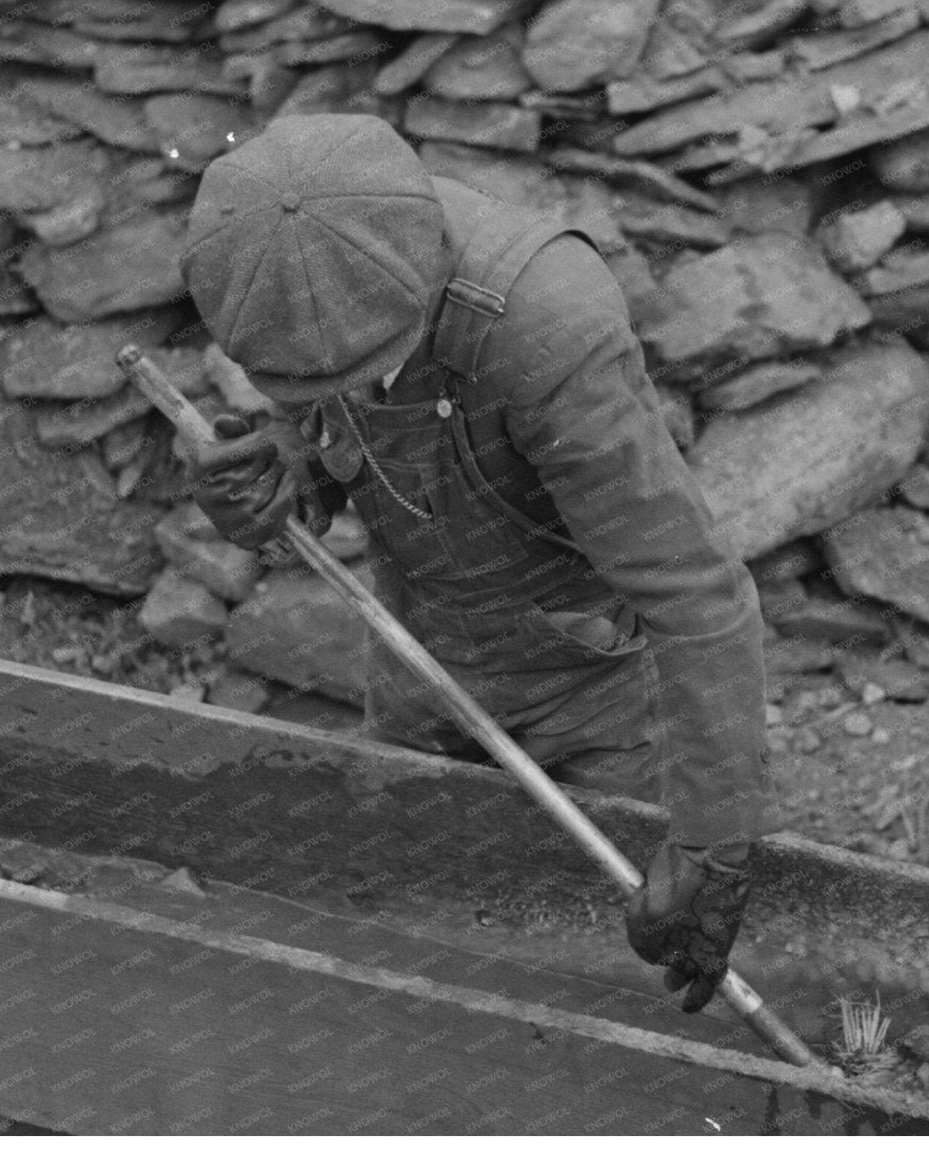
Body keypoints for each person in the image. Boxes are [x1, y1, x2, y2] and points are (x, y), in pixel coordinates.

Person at [179, 113, 769, 1013]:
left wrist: (713, 847)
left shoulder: (546, 327)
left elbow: (699, 598)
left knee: (609, 990)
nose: (326, 392)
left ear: (413, 303)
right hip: (423, 660)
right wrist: (288, 467)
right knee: (422, 961)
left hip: (592, 694)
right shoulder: (296, 260)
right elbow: (342, 421)